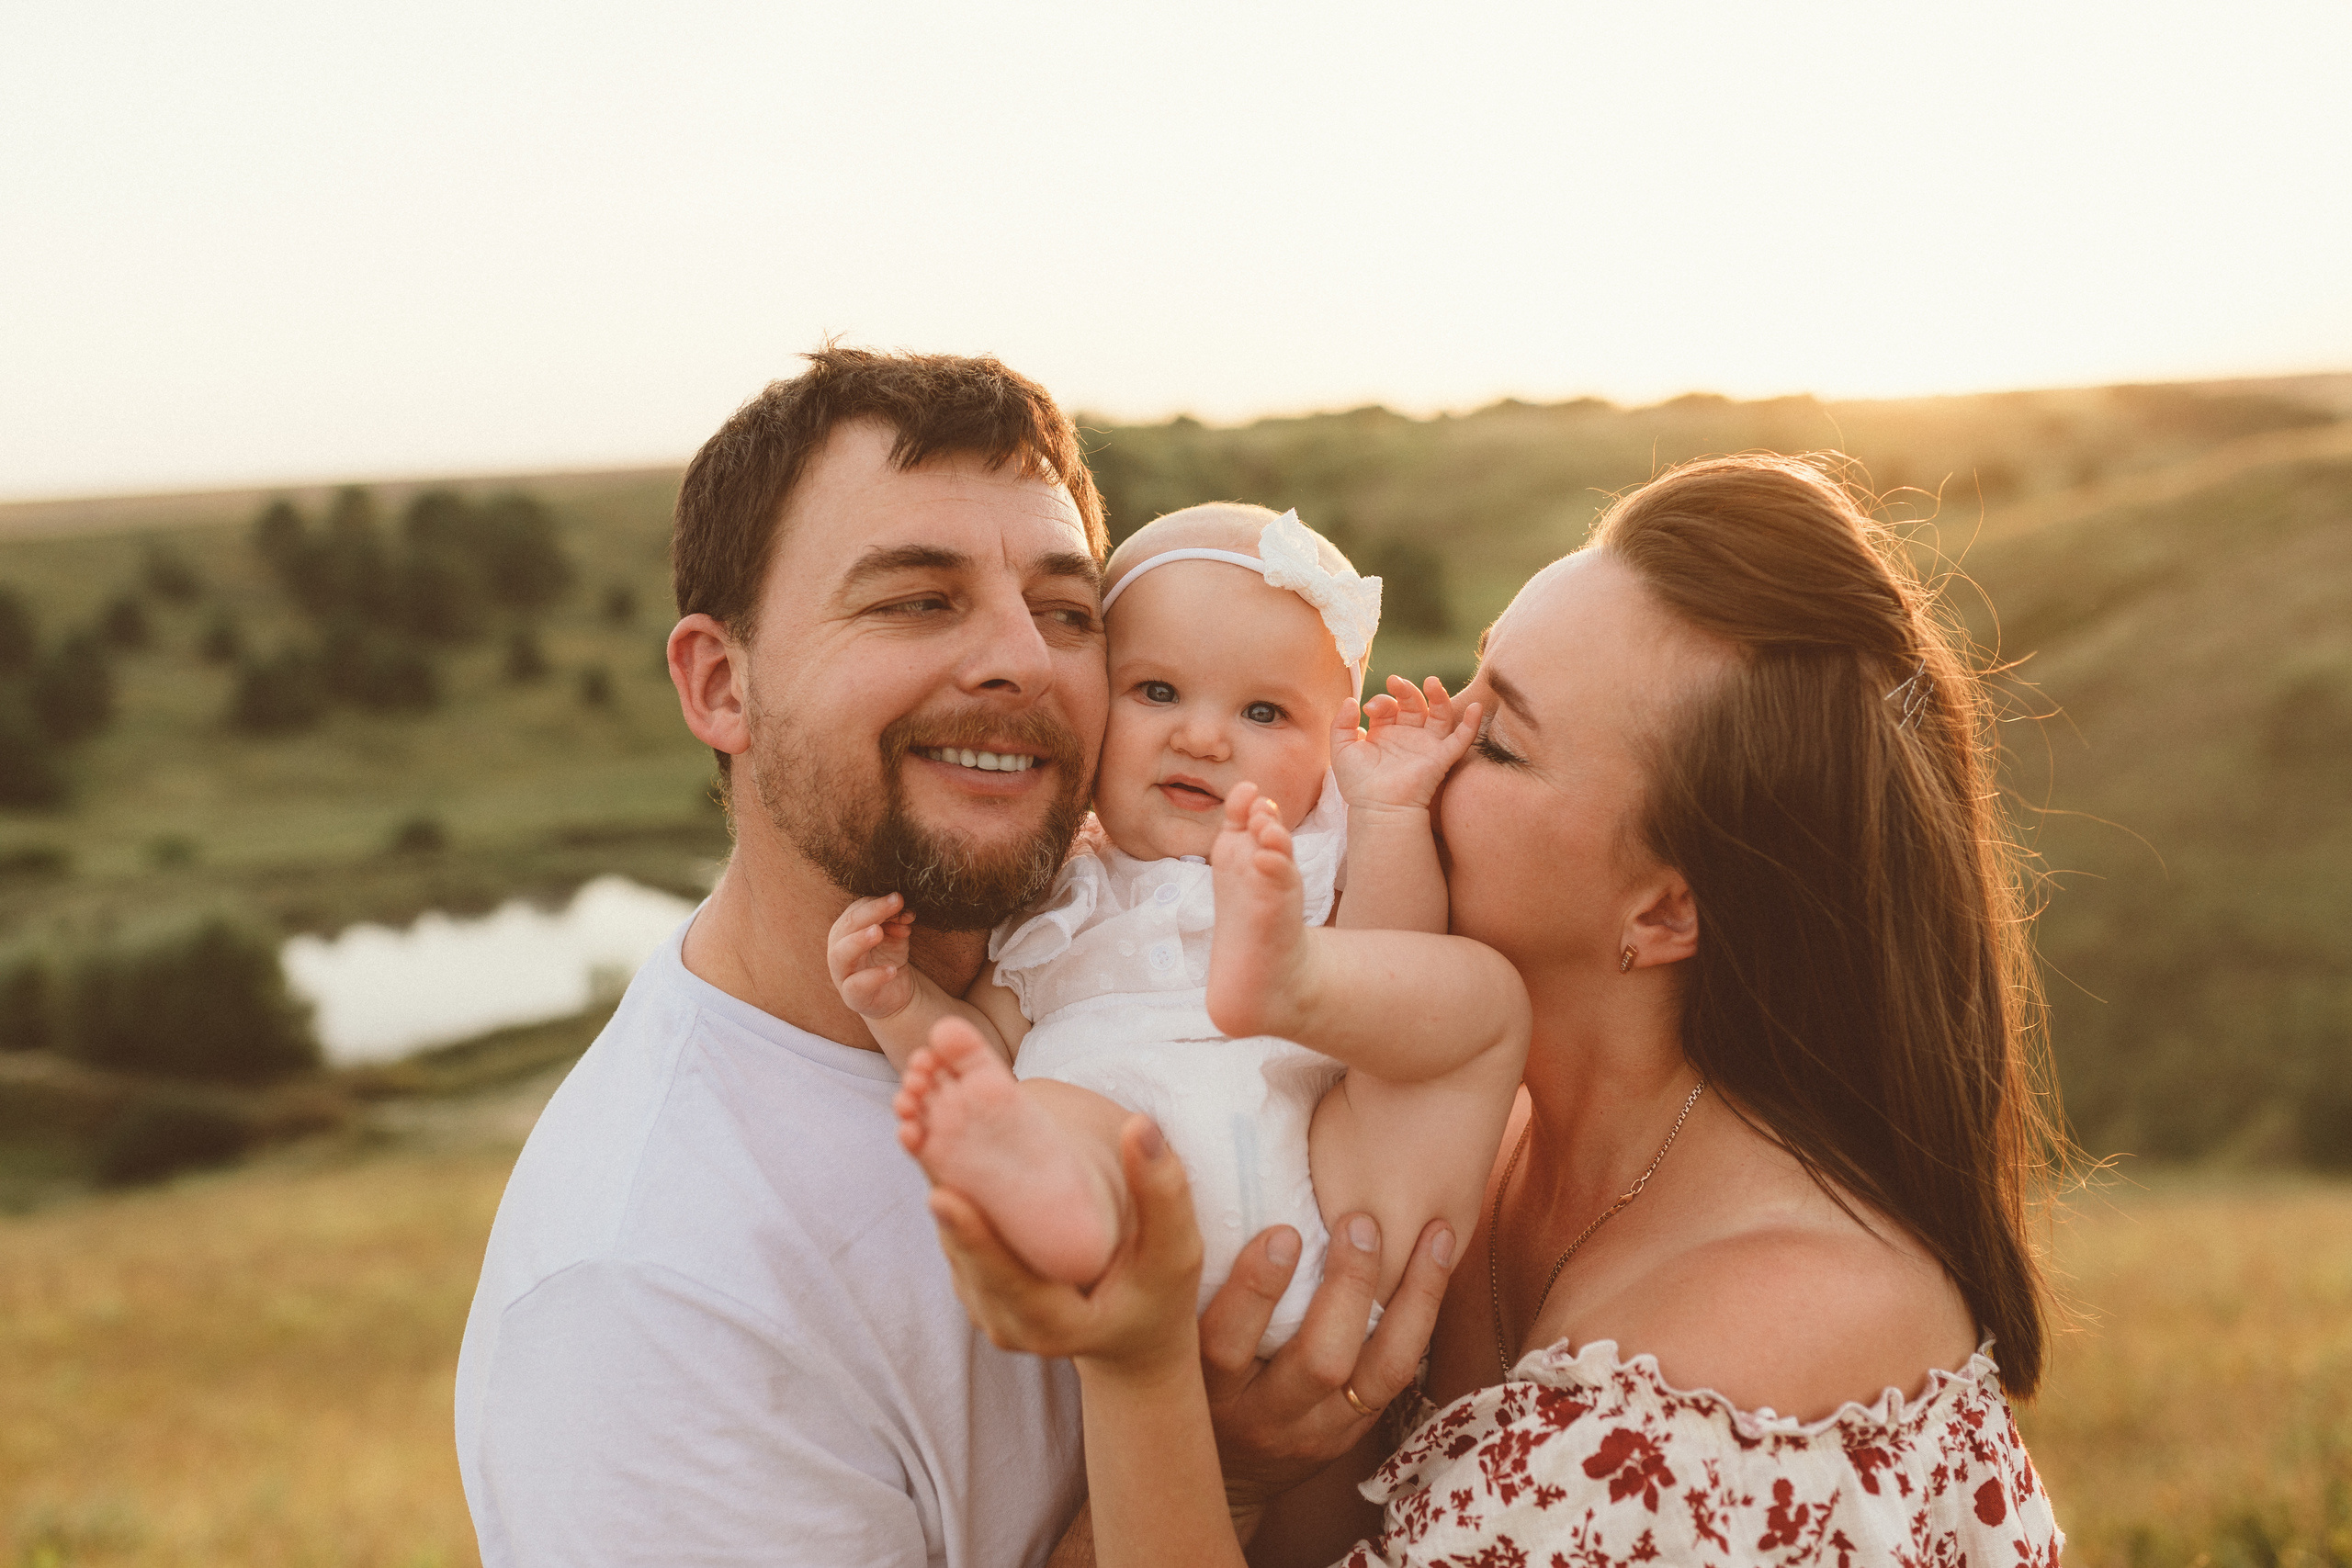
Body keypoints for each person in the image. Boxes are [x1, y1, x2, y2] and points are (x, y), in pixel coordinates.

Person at [929, 455, 2070, 1564]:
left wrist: (1155, 1395)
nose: (1406, 736)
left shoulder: (1734, 1375)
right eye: (1469, 676)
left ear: (1666, 913)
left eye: (1502, 740)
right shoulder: (1471, 1131)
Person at [451, 349, 1114, 1566]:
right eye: (920, 598)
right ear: (721, 685)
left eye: (1067, 610)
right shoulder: (648, 1291)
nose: (1025, 658)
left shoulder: (1135, 973)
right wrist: (1220, 1451)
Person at [831, 504, 1527, 1350]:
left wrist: (1388, 813)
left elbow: (1396, 963)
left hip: (1318, 1202)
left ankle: (1274, 980)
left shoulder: (1311, 858)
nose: (1201, 736)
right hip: (1133, 1217)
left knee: (1415, 1045)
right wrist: (900, 1004)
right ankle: (1063, 1211)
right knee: (1042, 1109)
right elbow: (982, 1040)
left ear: (1330, 748)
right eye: (1157, 692)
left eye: (1264, 714)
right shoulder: (1061, 900)